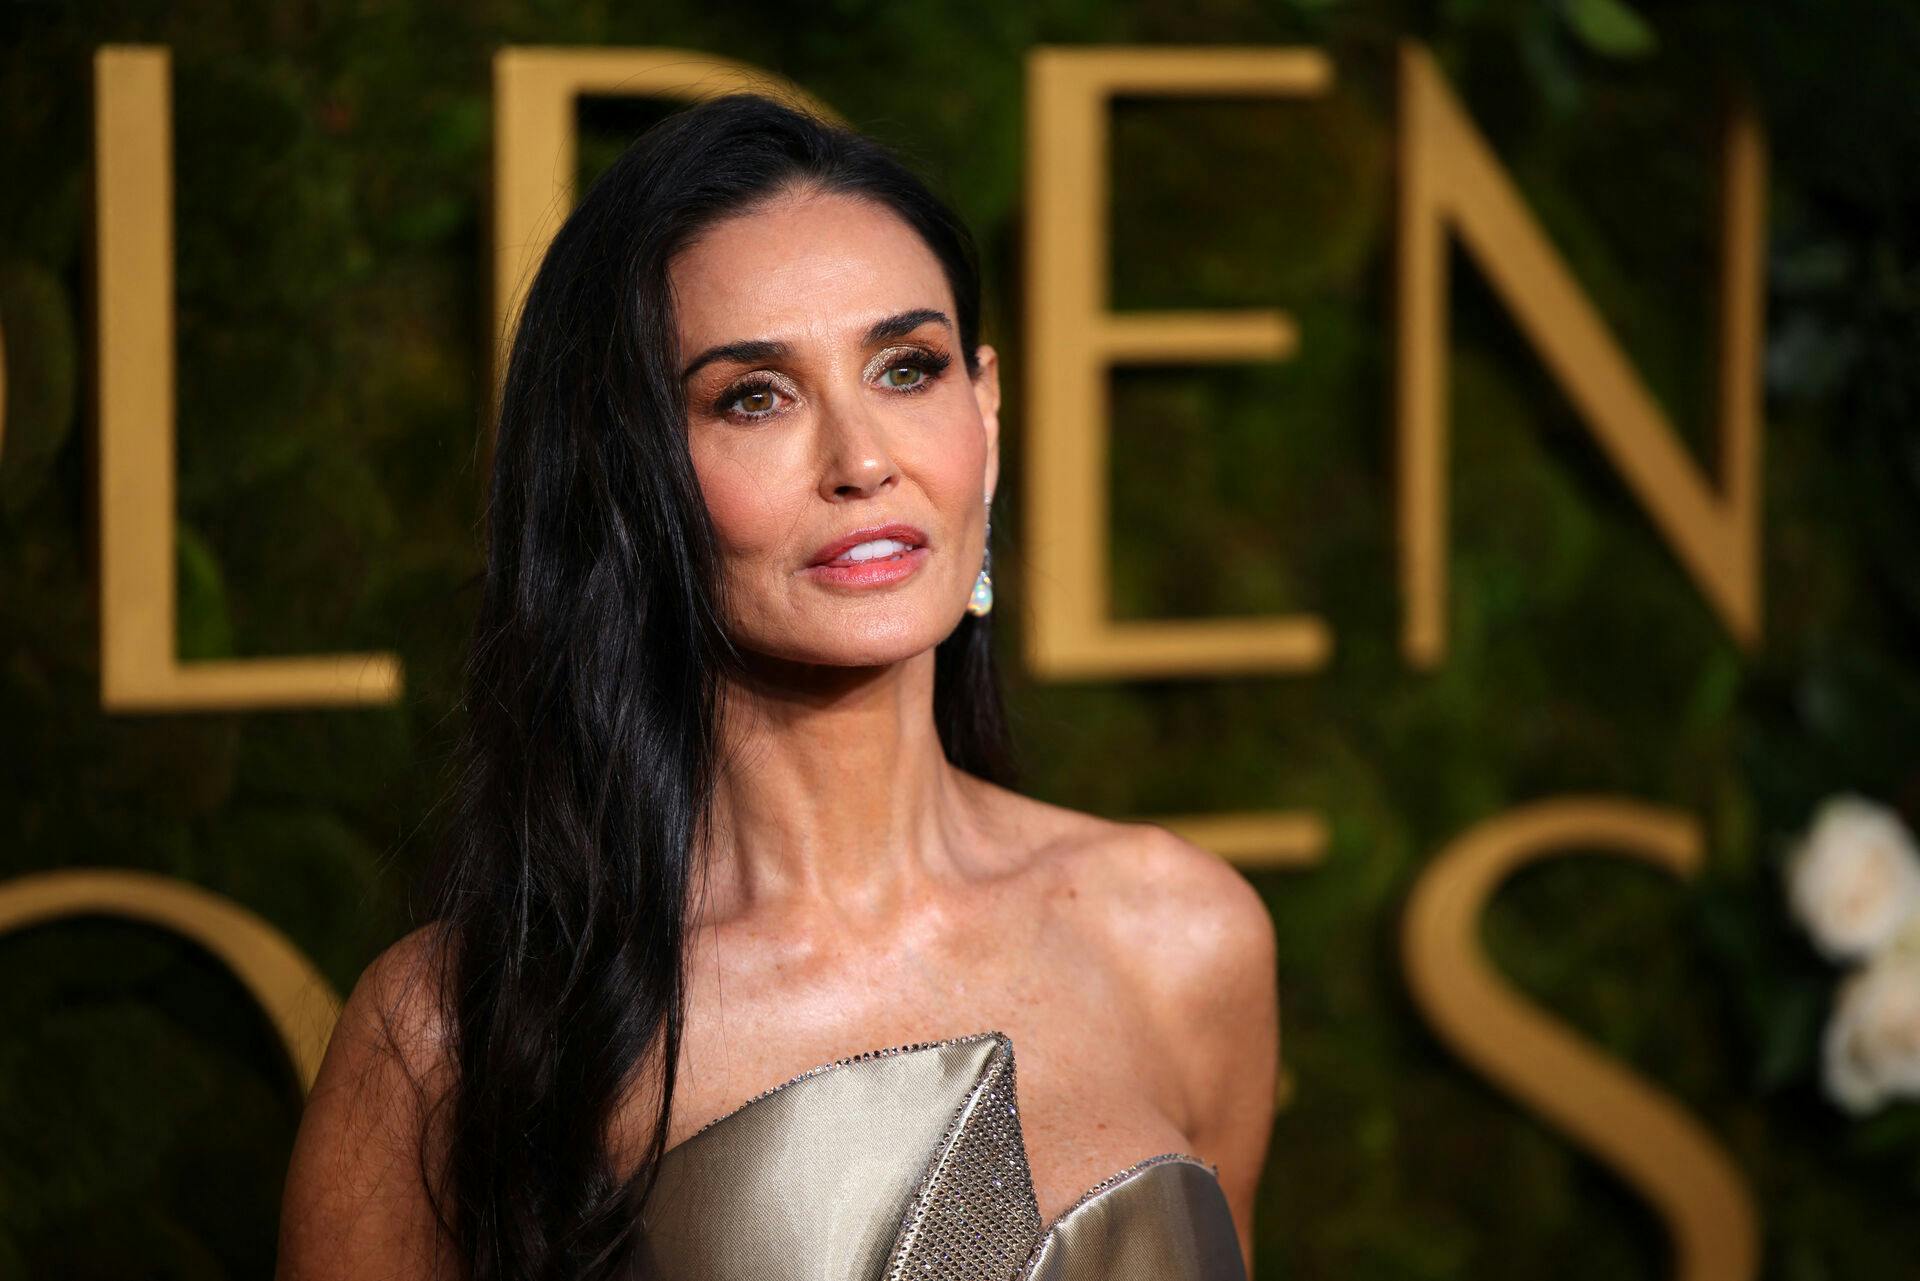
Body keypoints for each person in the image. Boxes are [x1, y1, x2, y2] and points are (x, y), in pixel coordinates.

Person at [275, 89, 1280, 1281]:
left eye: (908, 369)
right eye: (755, 396)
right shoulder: (459, 1034)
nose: (863, 462)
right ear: (626, 472)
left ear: (989, 414)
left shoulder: (1182, 940)